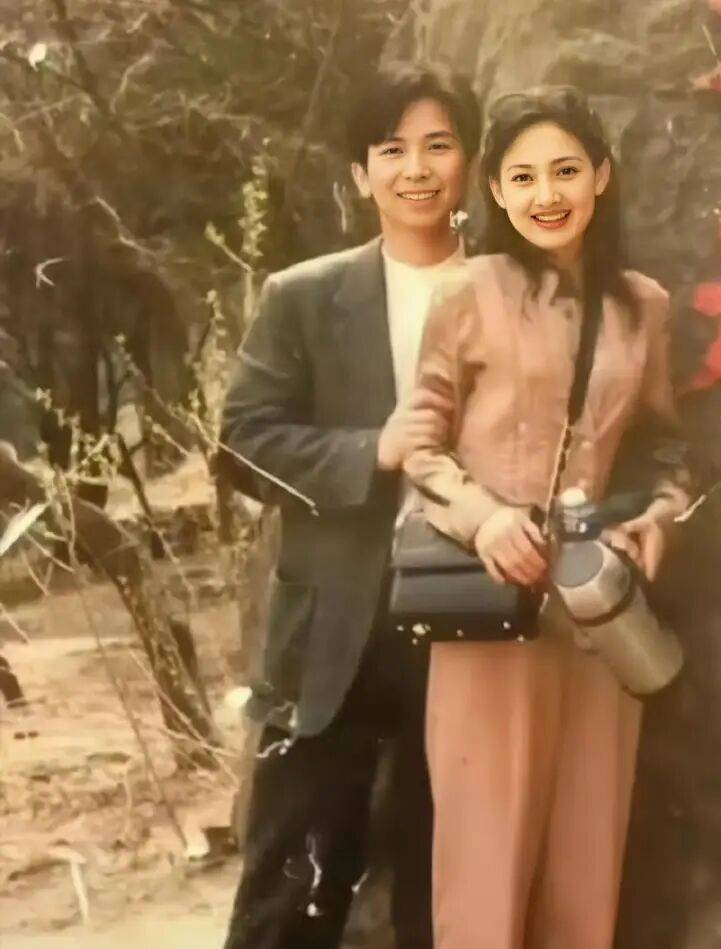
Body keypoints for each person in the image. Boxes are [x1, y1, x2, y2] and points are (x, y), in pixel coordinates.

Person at [402, 86, 694, 949]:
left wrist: (660, 518)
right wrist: (485, 520)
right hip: (489, 606)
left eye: (566, 170)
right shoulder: (466, 293)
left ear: (601, 175)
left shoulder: (644, 306)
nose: (546, 194)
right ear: (495, 191)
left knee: (585, 865)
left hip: (599, 611)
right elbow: (419, 445)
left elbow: (666, 447)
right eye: (523, 177)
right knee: (483, 871)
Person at [218, 62, 480, 949]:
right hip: (334, 625)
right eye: (392, 150)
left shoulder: (507, 289)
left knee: (447, 881)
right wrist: (372, 450)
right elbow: (244, 441)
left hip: (473, 614)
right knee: (289, 882)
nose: (417, 169)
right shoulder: (302, 296)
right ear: (360, 175)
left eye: (439, 146)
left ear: (469, 163)